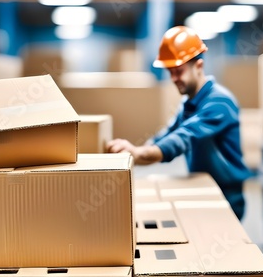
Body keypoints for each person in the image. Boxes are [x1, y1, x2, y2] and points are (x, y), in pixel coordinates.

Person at [106, 26, 251, 220]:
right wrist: (133, 153)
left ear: (198, 66)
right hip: (203, 189)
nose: (174, 79)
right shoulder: (189, 104)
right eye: (170, 72)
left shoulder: (219, 102)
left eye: (179, 71)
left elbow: (183, 138)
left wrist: (140, 153)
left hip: (225, 197)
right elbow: (166, 135)